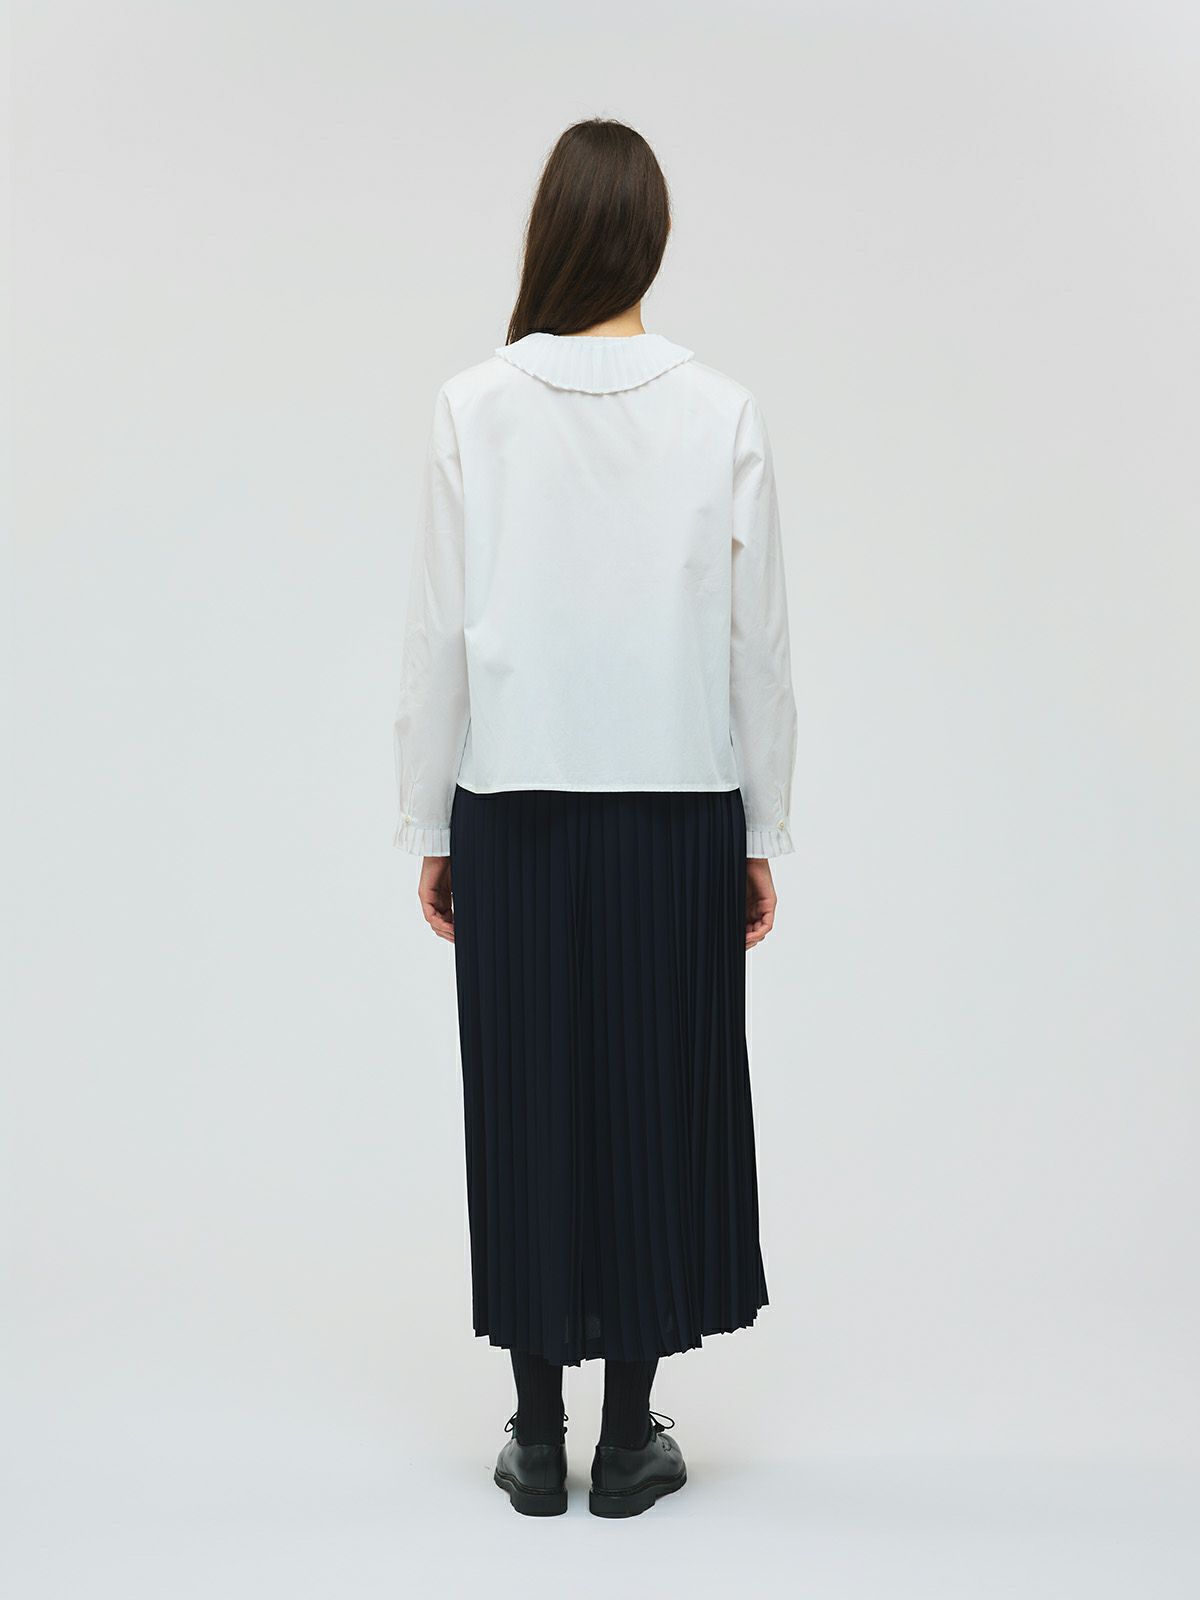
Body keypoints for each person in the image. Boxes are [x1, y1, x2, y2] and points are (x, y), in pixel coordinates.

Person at [393, 117, 797, 1518]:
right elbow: (757, 645)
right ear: (654, 240)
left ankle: (533, 1436)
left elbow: (437, 636)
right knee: (652, 1101)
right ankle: (629, 1441)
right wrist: (761, 830)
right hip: (677, 807)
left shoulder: (473, 405)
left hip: (513, 804)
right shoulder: (721, 410)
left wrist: (428, 821)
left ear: (550, 236)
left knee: (526, 1101)